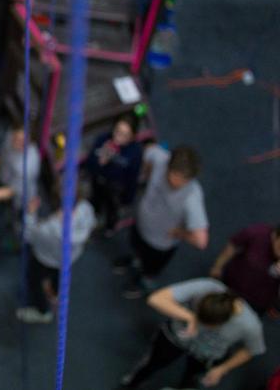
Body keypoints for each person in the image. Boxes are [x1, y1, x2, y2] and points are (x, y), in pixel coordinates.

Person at [119, 278, 265, 389]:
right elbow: (155, 299)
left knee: (192, 380)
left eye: (206, 324)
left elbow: (251, 350)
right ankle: (131, 384)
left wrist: (222, 369)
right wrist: (190, 317)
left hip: (207, 353)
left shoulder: (251, 325)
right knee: (152, 363)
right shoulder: (207, 287)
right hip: (176, 337)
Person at [118, 145, 209, 298]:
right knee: (136, 247)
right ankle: (135, 261)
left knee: (150, 268)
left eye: (184, 179)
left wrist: (180, 233)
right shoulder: (160, 158)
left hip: (160, 244)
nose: (177, 182)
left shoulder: (192, 197)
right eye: (175, 175)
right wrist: (146, 173)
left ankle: (144, 283)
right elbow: (149, 151)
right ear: (168, 165)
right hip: (141, 223)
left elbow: (201, 241)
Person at [15, 185, 95, 323]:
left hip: (44, 258)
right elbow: (91, 224)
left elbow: (28, 235)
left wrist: (30, 213)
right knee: (58, 275)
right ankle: (54, 293)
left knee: (33, 280)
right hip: (68, 258)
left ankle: (42, 312)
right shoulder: (86, 209)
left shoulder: (51, 228)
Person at [0, 121, 41, 250]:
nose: (16, 143)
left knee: (18, 222)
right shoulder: (11, 136)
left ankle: (17, 244)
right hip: (5, 179)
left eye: (22, 142)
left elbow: (10, 192)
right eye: (16, 138)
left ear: (31, 142)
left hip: (20, 197)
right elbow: (3, 156)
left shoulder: (27, 166)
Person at [86, 113, 142, 235]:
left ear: (132, 137)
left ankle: (110, 227)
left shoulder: (135, 152)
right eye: (117, 131)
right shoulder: (103, 140)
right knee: (95, 202)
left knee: (113, 210)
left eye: (124, 135)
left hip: (116, 189)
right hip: (99, 181)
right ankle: (95, 216)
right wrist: (100, 161)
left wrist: (128, 198)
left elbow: (133, 177)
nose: (118, 137)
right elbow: (89, 165)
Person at [210, 223, 280, 315]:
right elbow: (232, 247)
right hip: (233, 284)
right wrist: (217, 266)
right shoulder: (257, 233)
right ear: (276, 235)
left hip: (259, 300)